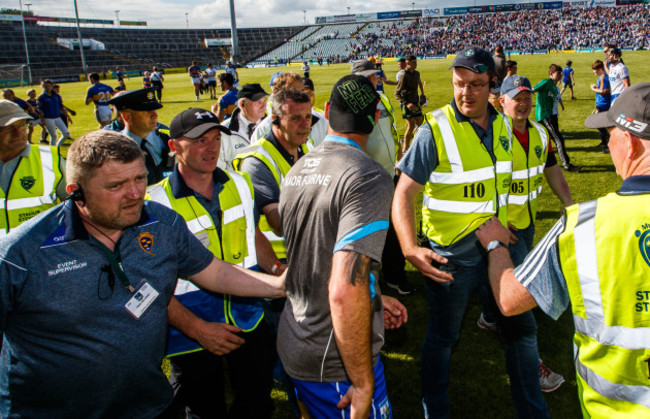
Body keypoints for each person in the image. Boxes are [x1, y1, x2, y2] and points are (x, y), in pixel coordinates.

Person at [0, 129, 285, 418]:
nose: (135, 194)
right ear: (76, 192)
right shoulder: (19, 256)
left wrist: (278, 284)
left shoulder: (160, 221)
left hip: (149, 405)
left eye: (139, 179)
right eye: (116, 186)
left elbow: (214, 272)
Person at [391, 46, 550, 418]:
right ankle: (436, 410)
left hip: (498, 250)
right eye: (460, 84)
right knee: (444, 339)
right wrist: (409, 247)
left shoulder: (504, 126)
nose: (466, 92)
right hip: (452, 261)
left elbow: (499, 182)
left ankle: (533, 411)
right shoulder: (435, 130)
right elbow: (404, 193)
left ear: (491, 86)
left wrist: (504, 221)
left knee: (522, 330)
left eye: (476, 84)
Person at [475, 82, 650, 418]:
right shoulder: (493, 132)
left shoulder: (583, 226)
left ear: (628, 143)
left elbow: (510, 299)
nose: (609, 143)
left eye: (610, 134)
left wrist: (494, 244)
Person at [278, 73, 407, 419]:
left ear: (326, 111)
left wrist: (375, 295)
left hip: (295, 336)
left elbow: (317, 258)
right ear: (376, 117)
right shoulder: (367, 176)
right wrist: (362, 383)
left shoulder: (298, 168)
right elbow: (343, 287)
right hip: (334, 357)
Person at [146, 108, 280, 418]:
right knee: (205, 408)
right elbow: (152, 284)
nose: (211, 148)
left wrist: (274, 268)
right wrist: (197, 329)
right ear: (173, 147)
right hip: (191, 328)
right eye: (199, 140)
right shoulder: (154, 205)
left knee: (257, 401)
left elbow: (252, 232)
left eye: (215, 138)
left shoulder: (241, 183)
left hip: (248, 315)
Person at [486, 75, 572, 392]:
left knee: (508, 282)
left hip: (527, 223)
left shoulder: (539, 133)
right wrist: (493, 216)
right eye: (516, 97)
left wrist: (569, 203)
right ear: (502, 101)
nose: (523, 103)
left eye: (527, 98)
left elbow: (551, 170)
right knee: (522, 296)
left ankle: (488, 315)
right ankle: (533, 364)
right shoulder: (491, 135)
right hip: (501, 226)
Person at [233, 88, 312, 417]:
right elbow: (277, 222)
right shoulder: (257, 160)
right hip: (273, 269)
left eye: (309, 117)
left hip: (299, 263)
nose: (305, 125)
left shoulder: (301, 149)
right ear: (274, 120)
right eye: (296, 118)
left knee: (296, 342)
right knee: (274, 349)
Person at [351, 59, 412, 295]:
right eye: (367, 77)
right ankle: (380, 278)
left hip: (389, 175)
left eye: (374, 76)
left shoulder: (383, 100)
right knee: (375, 231)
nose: (373, 80)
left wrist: (397, 159)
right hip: (368, 181)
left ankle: (394, 275)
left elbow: (392, 132)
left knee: (394, 227)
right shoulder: (353, 107)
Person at [0, 99, 66, 237]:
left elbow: (80, 205)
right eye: (8, 127)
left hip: (42, 253)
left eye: (22, 125)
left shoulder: (50, 159)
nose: (18, 133)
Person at [107, 87, 172, 185]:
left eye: (155, 109)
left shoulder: (169, 139)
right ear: (127, 117)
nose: (155, 115)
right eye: (146, 111)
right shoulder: (112, 150)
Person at [251, 72, 327, 147]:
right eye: (292, 93)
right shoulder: (263, 130)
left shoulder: (322, 120)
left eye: (302, 92)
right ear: (276, 94)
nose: (301, 97)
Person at [534, 64, 581, 173]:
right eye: (558, 73)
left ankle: (540, 164)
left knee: (545, 141)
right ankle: (567, 165)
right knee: (558, 139)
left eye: (561, 73)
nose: (560, 75)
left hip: (551, 116)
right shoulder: (545, 82)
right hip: (544, 116)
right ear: (551, 74)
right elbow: (532, 89)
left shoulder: (555, 88)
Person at [218, 83, 269, 171]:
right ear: (242, 105)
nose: (264, 105)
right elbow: (220, 170)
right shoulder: (223, 131)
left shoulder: (273, 126)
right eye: (258, 102)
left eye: (264, 101)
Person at [394, 55, 425, 158]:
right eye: (414, 62)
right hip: (407, 104)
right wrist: (407, 104)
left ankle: (416, 145)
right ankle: (405, 149)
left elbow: (418, 84)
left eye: (416, 62)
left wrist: (422, 95)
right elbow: (397, 93)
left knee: (421, 125)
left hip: (416, 103)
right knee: (411, 126)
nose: (416, 64)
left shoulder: (417, 73)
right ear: (408, 63)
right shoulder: (403, 75)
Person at [37, 79, 71, 146]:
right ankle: (53, 151)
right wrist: (42, 120)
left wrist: (68, 116)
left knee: (66, 134)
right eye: (46, 86)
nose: (48, 88)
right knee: (54, 136)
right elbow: (40, 110)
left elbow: (61, 107)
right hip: (48, 118)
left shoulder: (56, 96)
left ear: (52, 86)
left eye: (49, 86)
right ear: (43, 87)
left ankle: (56, 148)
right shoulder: (41, 97)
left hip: (57, 117)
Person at [590, 60, 611, 152]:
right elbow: (603, 89)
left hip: (603, 104)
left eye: (594, 69)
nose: (593, 71)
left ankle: (607, 139)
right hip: (601, 103)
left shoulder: (603, 77)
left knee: (599, 124)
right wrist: (596, 87)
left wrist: (593, 89)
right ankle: (604, 141)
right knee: (599, 123)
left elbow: (603, 92)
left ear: (599, 69)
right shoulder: (603, 77)